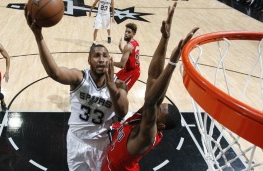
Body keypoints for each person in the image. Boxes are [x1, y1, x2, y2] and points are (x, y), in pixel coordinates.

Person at [24, 7, 128, 171]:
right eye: (96, 55)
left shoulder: (120, 84)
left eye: (105, 55)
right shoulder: (79, 77)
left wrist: (111, 87)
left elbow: (122, 112)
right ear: (89, 60)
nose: (101, 59)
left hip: (101, 144)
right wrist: (38, 36)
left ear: (110, 60)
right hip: (76, 140)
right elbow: (55, 72)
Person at [102, 3, 199, 170]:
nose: (158, 106)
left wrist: (173, 63)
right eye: (161, 105)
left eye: (160, 109)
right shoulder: (148, 120)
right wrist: (165, 38)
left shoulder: (147, 134)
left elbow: (151, 101)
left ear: (160, 126)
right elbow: (153, 77)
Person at [114, 23, 140, 91]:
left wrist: (110, 62)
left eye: (129, 32)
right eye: (126, 31)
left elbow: (121, 65)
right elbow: (129, 56)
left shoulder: (128, 46)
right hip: (127, 69)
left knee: (121, 91)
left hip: (132, 72)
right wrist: (120, 48)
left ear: (133, 34)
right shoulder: (135, 42)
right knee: (114, 81)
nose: (126, 33)